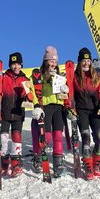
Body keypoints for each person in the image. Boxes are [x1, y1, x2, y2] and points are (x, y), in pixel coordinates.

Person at [31, 46, 70, 178]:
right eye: (50, 61)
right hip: (46, 107)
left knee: (58, 136)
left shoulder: (60, 76)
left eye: (54, 61)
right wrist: (37, 105)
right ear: (45, 61)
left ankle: (58, 162)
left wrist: (65, 90)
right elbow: (34, 91)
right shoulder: (39, 75)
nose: (53, 64)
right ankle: (37, 156)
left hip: (58, 108)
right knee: (46, 137)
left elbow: (66, 95)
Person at [73, 48, 100, 180]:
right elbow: (70, 93)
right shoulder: (74, 78)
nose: (86, 63)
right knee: (86, 138)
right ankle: (88, 164)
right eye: (83, 61)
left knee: (99, 137)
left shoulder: (97, 77)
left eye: (88, 61)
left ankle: (97, 161)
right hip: (81, 111)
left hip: (95, 111)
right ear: (79, 62)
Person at [0, 52, 33, 177]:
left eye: (18, 64)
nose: (16, 67)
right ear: (10, 65)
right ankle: (4, 163)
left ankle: (16, 164)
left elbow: (31, 99)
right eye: (13, 64)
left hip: (18, 114)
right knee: (3, 139)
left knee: (16, 138)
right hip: (4, 112)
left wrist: (28, 97)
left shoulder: (25, 80)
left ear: (21, 65)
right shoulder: (4, 77)